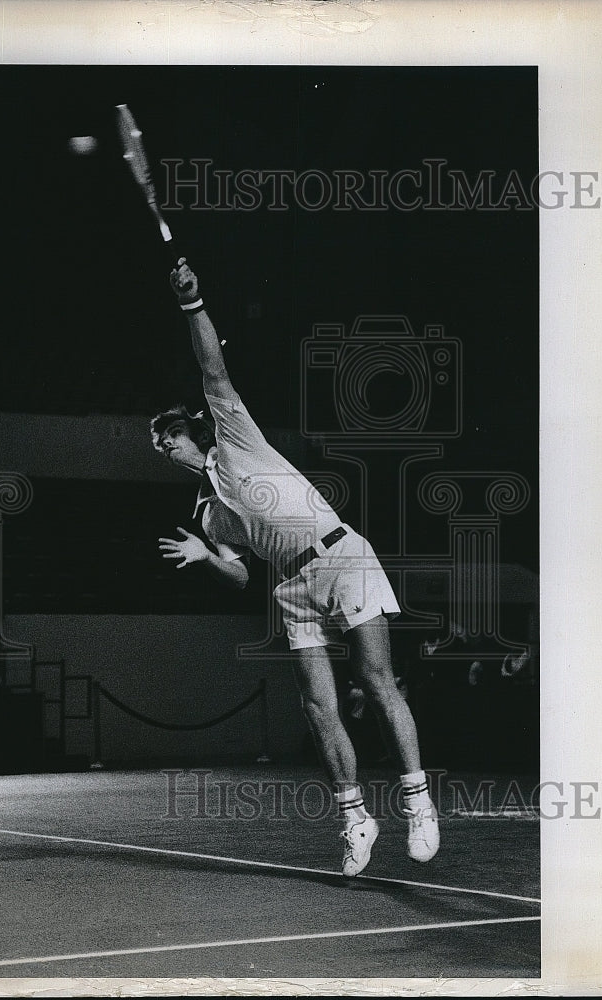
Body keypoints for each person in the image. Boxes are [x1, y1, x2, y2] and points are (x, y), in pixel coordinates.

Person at [154, 259, 439, 877]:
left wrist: (193, 304)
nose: (163, 444)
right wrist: (207, 558)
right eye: (159, 442)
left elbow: (212, 367)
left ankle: (418, 804)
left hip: (341, 556)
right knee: (316, 704)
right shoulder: (206, 515)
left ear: (193, 432)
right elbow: (239, 577)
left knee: (375, 678)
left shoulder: (235, 436)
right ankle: (355, 817)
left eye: (168, 434)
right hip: (291, 587)